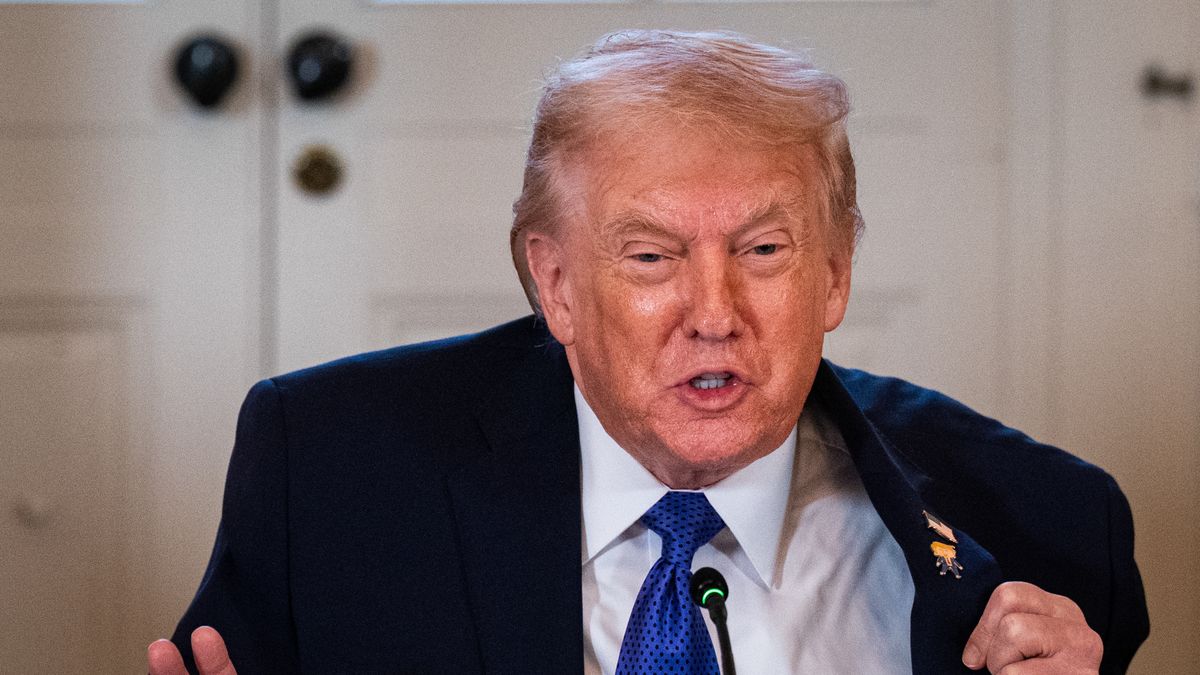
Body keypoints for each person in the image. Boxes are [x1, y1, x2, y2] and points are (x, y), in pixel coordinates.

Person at [148, 30, 1148, 674]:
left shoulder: (1050, 528)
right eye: (651, 256)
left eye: (763, 251)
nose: (714, 313)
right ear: (555, 286)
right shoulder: (330, 475)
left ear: (836, 273)